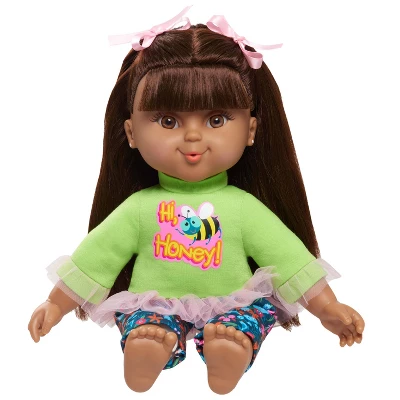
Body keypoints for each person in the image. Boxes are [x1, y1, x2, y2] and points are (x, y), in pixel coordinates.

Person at [28, 6, 365, 395]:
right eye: (168, 121)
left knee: (247, 318)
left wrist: (328, 308)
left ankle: (229, 348)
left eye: (216, 120)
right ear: (131, 132)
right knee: (144, 322)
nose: (192, 137)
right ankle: (150, 346)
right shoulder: (139, 210)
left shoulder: (243, 209)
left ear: (251, 129)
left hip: (232, 302)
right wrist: (54, 305)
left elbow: (290, 259)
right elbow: (95, 258)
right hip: (156, 302)